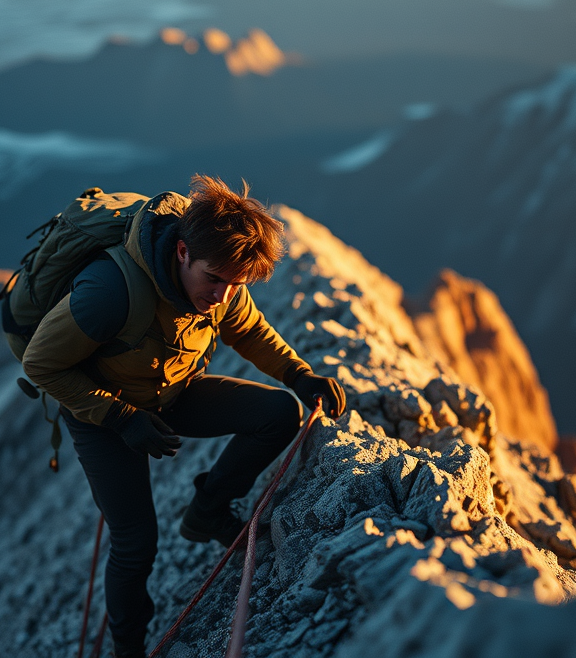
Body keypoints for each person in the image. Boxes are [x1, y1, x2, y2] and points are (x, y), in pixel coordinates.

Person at [22, 175, 346, 658]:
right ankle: (128, 650)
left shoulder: (222, 278)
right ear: (181, 251)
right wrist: (120, 418)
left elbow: (248, 329)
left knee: (279, 411)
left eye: (235, 285)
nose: (222, 296)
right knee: (135, 543)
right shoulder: (109, 293)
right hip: (103, 414)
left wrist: (298, 375)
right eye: (213, 279)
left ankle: (206, 513)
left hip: (172, 391)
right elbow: (41, 364)